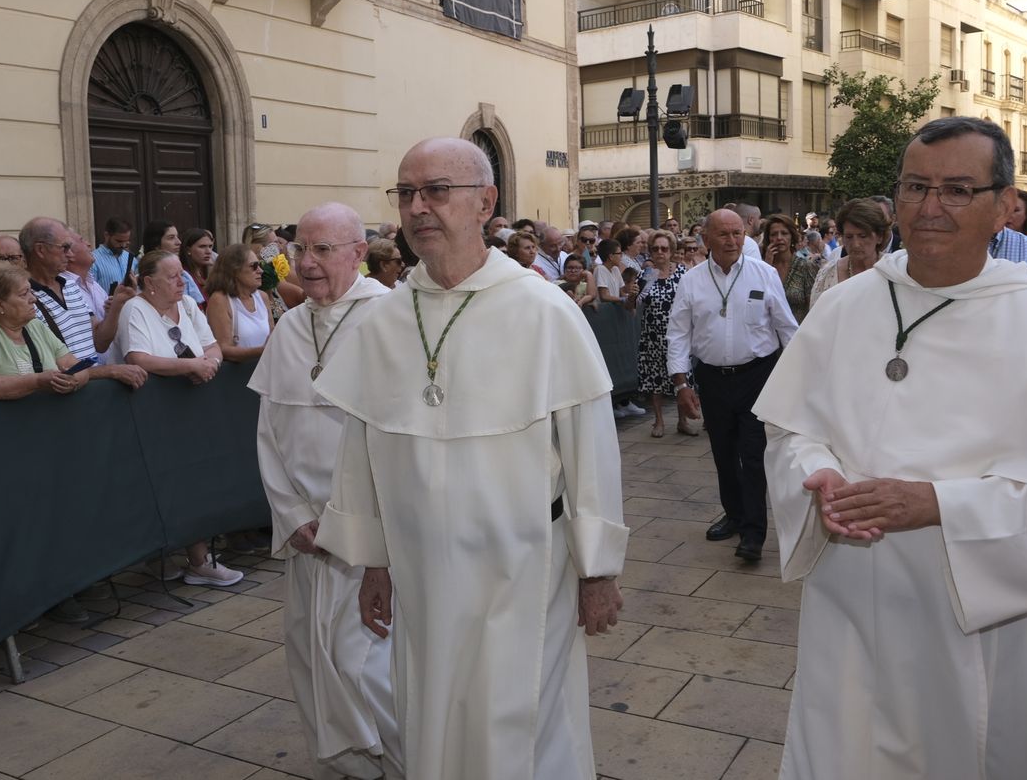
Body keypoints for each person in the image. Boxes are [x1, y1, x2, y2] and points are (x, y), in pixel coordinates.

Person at [754, 116, 1027, 779]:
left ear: (1005, 206)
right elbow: (789, 427)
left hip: (976, 625)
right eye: (916, 186)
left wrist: (941, 504)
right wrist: (815, 474)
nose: (931, 207)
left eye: (958, 189)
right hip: (847, 608)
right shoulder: (842, 307)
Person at [313, 137, 626, 780]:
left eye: (436, 190)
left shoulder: (543, 309)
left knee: (522, 719)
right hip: (420, 566)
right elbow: (361, 449)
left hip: (521, 567)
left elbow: (590, 447)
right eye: (407, 193)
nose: (419, 207)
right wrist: (374, 561)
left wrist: (598, 571)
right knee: (429, 709)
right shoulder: (385, 318)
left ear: (485, 202)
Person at [248, 203, 402, 780]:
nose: (306, 264)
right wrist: (290, 515)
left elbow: (397, 439)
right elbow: (270, 431)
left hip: (369, 535)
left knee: (366, 662)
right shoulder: (289, 325)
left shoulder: (393, 318)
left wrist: (370, 530)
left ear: (359, 255)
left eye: (323, 250)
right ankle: (352, 768)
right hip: (309, 536)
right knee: (311, 657)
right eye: (300, 250)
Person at [667, 210, 798, 561]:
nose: (732, 241)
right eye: (723, 234)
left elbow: (788, 330)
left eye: (738, 233)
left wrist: (797, 378)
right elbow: (679, 333)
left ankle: (754, 534)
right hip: (712, 378)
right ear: (705, 239)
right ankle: (735, 515)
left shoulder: (764, 274)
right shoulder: (692, 281)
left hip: (757, 375)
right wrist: (681, 383)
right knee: (724, 454)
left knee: (753, 456)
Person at [112, 250, 243, 588]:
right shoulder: (135, 309)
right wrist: (191, 366)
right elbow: (138, 357)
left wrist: (207, 365)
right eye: (171, 276)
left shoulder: (186, 305)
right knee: (161, 483)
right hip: (152, 414)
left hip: (189, 411)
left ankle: (197, 558)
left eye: (181, 273)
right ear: (149, 282)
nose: (181, 281)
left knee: (195, 480)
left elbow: (212, 346)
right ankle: (177, 557)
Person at [0, 261, 146, 398]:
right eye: (23, 294)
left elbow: (76, 366)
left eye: (30, 291)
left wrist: (73, 382)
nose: (33, 299)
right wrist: (38, 381)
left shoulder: (34, 325)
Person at [20, 218, 122, 364]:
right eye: (65, 247)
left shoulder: (71, 285)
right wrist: (108, 372)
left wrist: (117, 305)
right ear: (40, 250)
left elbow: (100, 343)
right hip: (69, 385)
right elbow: (51, 368)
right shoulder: (25, 296)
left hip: (92, 382)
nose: (70, 254)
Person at [636, 230, 694, 438]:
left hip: (678, 334)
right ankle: (658, 421)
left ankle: (682, 420)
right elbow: (635, 304)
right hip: (652, 334)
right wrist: (631, 296)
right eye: (655, 249)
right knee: (656, 379)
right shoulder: (647, 275)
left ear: (671, 251)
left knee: (681, 377)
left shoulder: (682, 273)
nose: (660, 252)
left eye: (664, 248)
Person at [809, 200, 891, 307]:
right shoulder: (828, 274)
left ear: (879, 236)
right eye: (849, 237)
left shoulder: (893, 270)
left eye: (863, 236)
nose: (856, 244)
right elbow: (816, 318)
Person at [206, 243, 275, 362]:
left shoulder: (262, 297)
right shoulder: (220, 300)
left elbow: (272, 336)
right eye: (254, 266)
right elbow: (224, 349)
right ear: (234, 270)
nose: (261, 271)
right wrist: (262, 351)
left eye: (260, 265)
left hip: (265, 369)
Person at [760, 215, 819, 323]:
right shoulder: (761, 268)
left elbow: (815, 306)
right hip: (769, 334)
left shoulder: (805, 266)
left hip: (798, 332)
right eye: (774, 234)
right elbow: (757, 302)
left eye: (784, 233)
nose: (779, 238)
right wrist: (767, 267)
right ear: (768, 238)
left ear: (791, 236)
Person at [91, 216, 137, 291]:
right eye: (119, 241)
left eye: (126, 241)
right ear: (106, 235)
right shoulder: (93, 260)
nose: (123, 245)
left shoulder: (131, 258)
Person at [177, 227, 214, 305]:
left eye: (210, 246)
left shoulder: (204, 274)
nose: (208, 251)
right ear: (188, 250)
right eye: (202, 246)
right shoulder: (182, 276)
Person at [593, 238, 627, 304]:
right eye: (619, 253)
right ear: (611, 256)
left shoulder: (615, 269)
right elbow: (604, 296)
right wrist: (622, 299)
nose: (621, 256)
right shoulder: (600, 269)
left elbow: (623, 291)